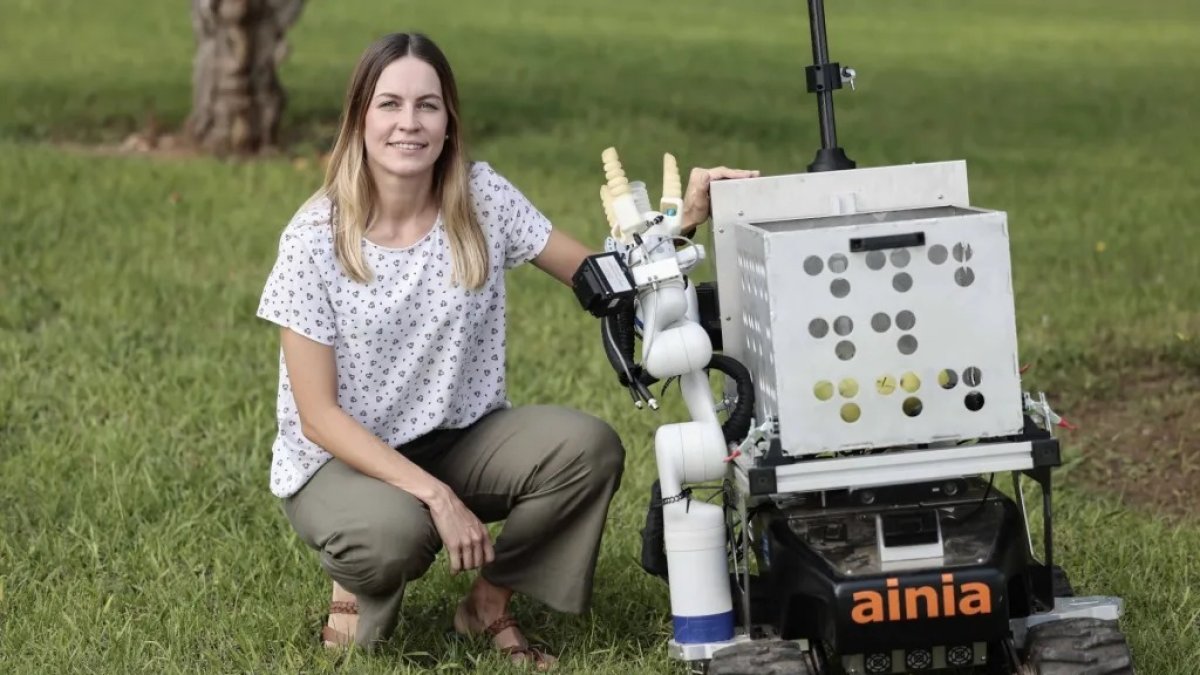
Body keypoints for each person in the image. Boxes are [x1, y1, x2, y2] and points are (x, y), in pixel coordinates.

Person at [255, 31, 757, 668]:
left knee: (586, 450)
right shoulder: (313, 238)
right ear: (359, 119)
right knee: (392, 536)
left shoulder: (481, 198)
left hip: (458, 437)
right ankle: (357, 580)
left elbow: (602, 280)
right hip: (342, 459)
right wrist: (437, 499)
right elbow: (318, 417)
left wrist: (682, 223)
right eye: (389, 104)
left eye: (427, 105)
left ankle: (487, 603)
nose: (409, 123)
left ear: (448, 122)